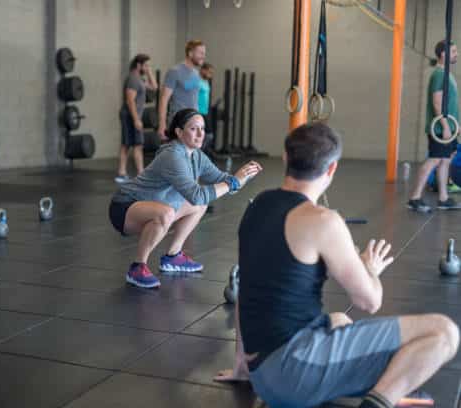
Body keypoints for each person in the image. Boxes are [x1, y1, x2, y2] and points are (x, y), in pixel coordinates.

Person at [214, 123, 459, 408]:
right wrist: (369, 268)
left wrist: (242, 368)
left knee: (340, 320)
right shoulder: (323, 220)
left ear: (285, 158)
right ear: (332, 169)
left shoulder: (257, 206)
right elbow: (370, 301)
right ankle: (377, 403)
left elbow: (246, 292)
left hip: (262, 376)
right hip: (293, 374)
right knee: (443, 333)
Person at [109, 108, 262, 288]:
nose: (200, 134)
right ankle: (137, 267)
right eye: (193, 129)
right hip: (125, 207)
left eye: (203, 129)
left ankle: (173, 256)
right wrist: (233, 183)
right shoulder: (173, 155)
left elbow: (223, 181)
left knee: (200, 205)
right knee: (167, 213)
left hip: (154, 206)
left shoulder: (196, 155)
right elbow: (197, 194)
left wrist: (243, 176)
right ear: (179, 132)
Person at [408, 40, 460, 212]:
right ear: (444, 54)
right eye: (453, 51)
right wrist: (445, 126)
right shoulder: (439, 75)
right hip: (440, 129)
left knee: (445, 161)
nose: (456, 54)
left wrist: (455, 126)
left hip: (449, 128)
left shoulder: (446, 74)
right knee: (434, 160)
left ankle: (443, 198)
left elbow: (450, 104)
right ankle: (414, 198)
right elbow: (437, 103)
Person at [116, 54, 158, 184]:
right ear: (138, 65)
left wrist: (149, 71)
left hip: (132, 116)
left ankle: (124, 173)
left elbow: (154, 87)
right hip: (130, 116)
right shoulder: (133, 79)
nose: (147, 68)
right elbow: (130, 100)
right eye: (145, 65)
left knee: (130, 145)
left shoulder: (139, 79)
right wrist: (136, 119)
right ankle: (138, 175)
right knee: (135, 145)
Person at [157, 40, 205, 141]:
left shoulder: (196, 73)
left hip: (193, 124)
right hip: (178, 124)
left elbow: (193, 98)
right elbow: (164, 99)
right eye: (200, 53)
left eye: (204, 53)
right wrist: (162, 124)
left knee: (191, 156)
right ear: (190, 53)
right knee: (177, 155)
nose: (203, 56)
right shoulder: (175, 72)